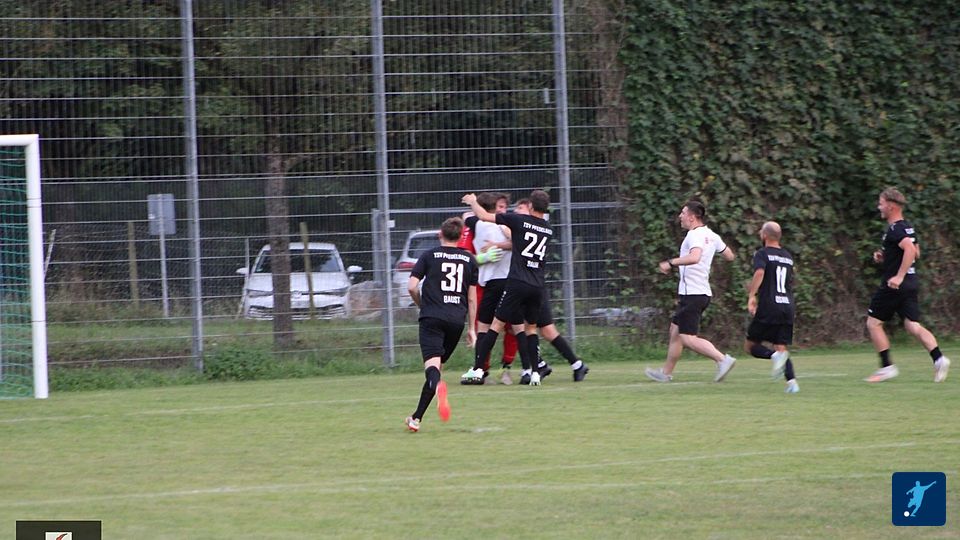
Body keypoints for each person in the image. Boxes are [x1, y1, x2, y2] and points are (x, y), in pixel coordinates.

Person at [461, 190, 584, 386]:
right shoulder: (548, 229)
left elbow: (483, 216)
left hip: (518, 282)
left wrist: (473, 201)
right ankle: (534, 373)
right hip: (537, 285)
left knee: (496, 325)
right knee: (531, 329)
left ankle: (477, 370)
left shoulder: (519, 221)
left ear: (531, 207)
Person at [645, 200, 737, 383]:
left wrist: (670, 263)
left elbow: (695, 257)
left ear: (692, 217)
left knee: (687, 338)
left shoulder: (694, 235)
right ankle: (666, 373)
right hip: (700, 292)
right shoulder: (711, 235)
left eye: (683, 213)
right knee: (675, 331)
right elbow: (729, 255)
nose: (680, 216)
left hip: (693, 294)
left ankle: (722, 359)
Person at [865, 187, 950, 383]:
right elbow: (916, 252)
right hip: (911, 283)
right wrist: (886, 256)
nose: (879, 207)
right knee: (912, 325)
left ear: (891, 206)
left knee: (873, 323)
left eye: (881, 203)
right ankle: (939, 359)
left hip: (895, 285)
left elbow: (910, 250)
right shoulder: (907, 227)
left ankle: (887, 367)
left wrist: (899, 276)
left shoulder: (895, 229)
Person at [404, 217, 478, 432]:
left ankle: (438, 387)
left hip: (432, 317)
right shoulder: (469, 259)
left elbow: (411, 286)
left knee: (432, 370)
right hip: (456, 320)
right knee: (436, 368)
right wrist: (472, 329)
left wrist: (421, 304)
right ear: (461, 236)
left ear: (440, 234)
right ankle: (416, 418)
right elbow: (472, 298)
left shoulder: (429, 255)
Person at [513, 198, 589, 382]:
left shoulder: (529, 227)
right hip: (528, 285)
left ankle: (538, 366)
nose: (516, 211)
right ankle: (574, 365)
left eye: (520, 208)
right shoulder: (527, 225)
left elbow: (513, 242)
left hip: (531, 286)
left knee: (529, 329)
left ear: (530, 209)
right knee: (540, 330)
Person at [460, 192, 521, 385]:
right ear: (493, 209)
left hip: (501, 282)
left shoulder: (503, 225)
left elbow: (468, 216)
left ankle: (497, 369)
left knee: (503, 327)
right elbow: (467, 220)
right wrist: (482, 258)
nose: (503, 210)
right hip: (492, 283)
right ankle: (484, 369)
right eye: (500, 207)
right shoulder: (483, 225)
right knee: (501, 327)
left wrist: (499, 244)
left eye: (505, 207)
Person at [744, 221, 799, 393]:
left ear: (765, 235)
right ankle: (792, 384)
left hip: (769, 305)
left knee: (750, 346)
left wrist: (752, 295)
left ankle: (774, 357)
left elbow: (760, 272)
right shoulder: (788, 256)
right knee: (781, 346)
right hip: (787, 306)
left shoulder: (762, 253)